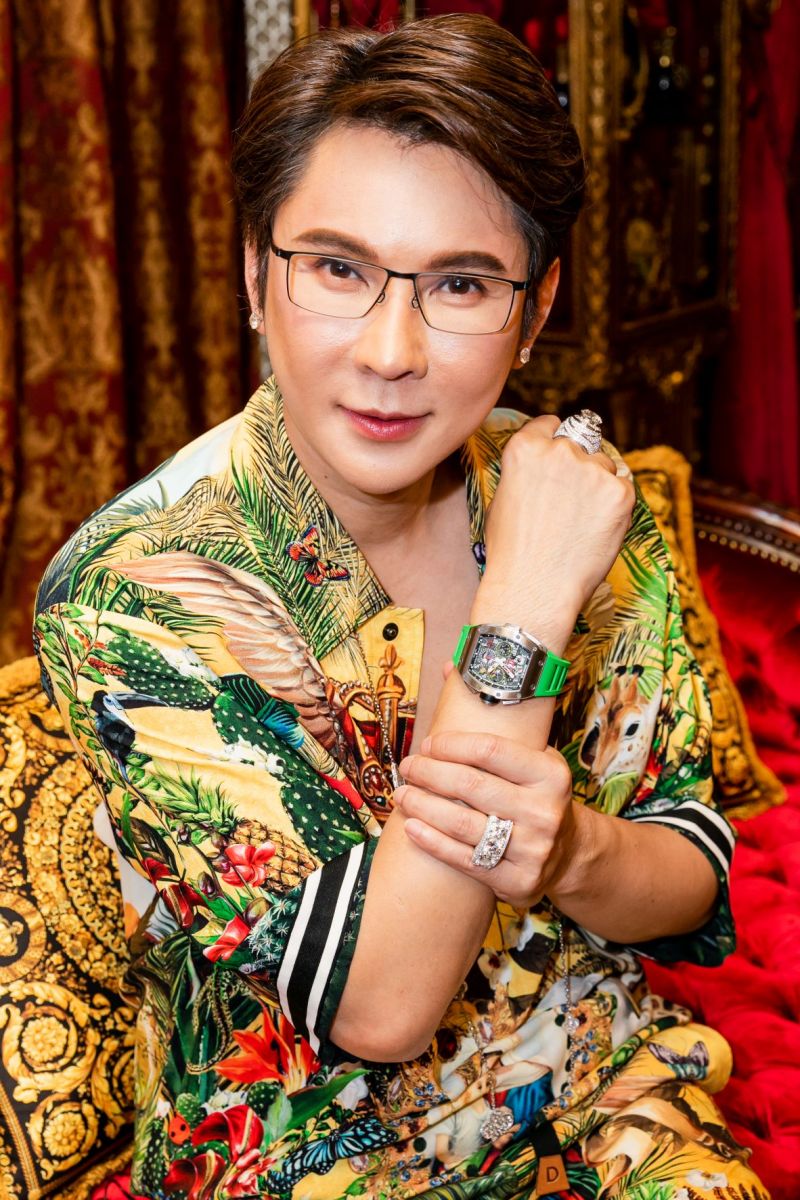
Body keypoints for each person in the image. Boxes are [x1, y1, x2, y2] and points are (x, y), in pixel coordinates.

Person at [34, 14, 768, 1200]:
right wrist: (520, 611)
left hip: (602, 1094)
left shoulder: (577, 499)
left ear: (535, 310)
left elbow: (687, 874)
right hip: (316, 1161)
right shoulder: (140, 588)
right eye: (337, 268)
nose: (390, 351)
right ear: (255, 278)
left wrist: (571, 848)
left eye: (461, 284)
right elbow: (378, 1002)